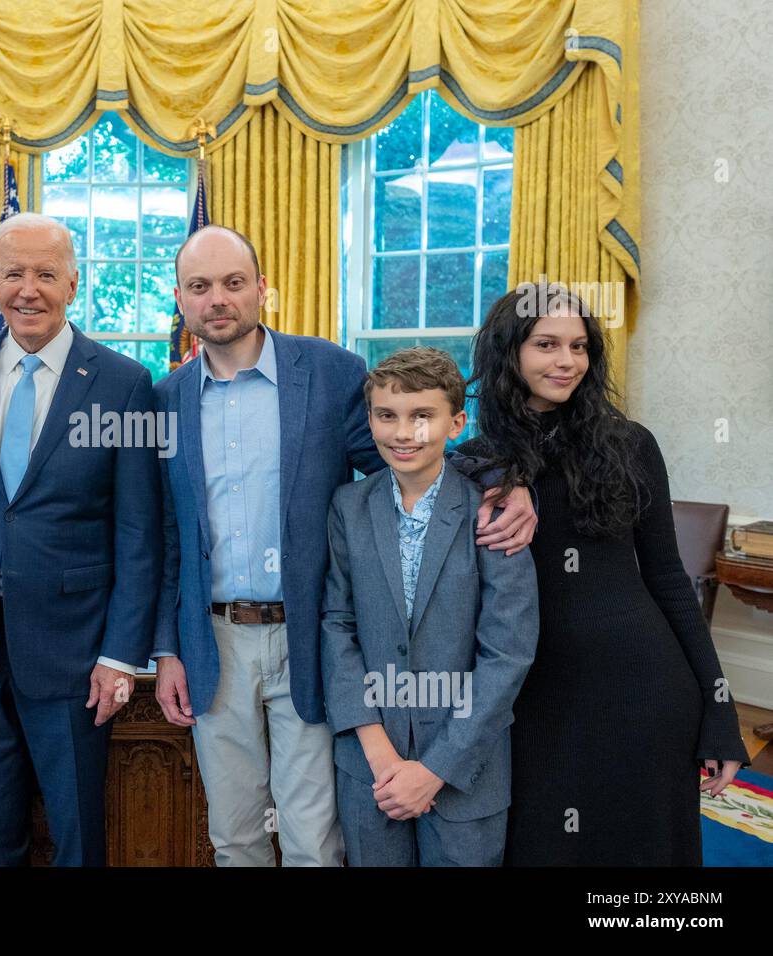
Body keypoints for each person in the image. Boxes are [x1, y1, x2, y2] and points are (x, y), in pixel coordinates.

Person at [151, 225, 537, 866]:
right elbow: (164, 534)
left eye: (233, 282)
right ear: (182, 299)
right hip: (211, 643)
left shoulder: (330, 374)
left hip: (308, 634)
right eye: (200, 286)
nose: (217, 298)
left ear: (262, 290)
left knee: (312, 836)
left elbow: (405, 455)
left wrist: (505, 480)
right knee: (234, 834)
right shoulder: (163, 400)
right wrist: (166, 648)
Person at [459, 284, 748, 865]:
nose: (566, 361)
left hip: (643, 686)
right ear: (508, 351)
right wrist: (495, 471)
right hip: (533, 695)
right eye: (546, 344)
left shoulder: (631, 445)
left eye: (579, 346)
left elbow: (669, 578)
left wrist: (719, 712)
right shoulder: (477, 458)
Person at [0, 212, 162, 866]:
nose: (27, 289)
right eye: (13, 274)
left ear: (73, 283)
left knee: (77, 835)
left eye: (44, 274)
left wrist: (122, 656)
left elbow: (139, 531)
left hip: (76, 653)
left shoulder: (123, 382)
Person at [321, 347, 539, 866]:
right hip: (372, 769)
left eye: (423, 416)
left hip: (466, 771)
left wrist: (434, 769)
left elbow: (507, 653)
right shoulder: (349, 507)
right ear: (369, 418)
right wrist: (380, 756)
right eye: (387, 415)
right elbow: (337, 624)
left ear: (456, 422)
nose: (403, 433)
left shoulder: (493, 509)